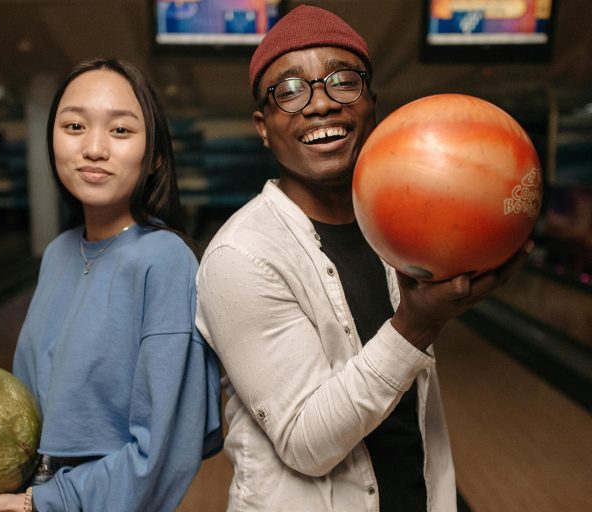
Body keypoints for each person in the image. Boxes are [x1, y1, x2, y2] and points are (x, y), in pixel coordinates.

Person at [194, 5, 530, 511]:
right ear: (263, 127)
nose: (320, 104)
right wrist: (417, 323)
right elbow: (306, 444)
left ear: (371, 103)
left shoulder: (402, 230)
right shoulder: (240, 257)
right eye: (289, 90)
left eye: (342, 82)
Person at [0, 58, 223, 512]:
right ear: (52, 140)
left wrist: (33, 505)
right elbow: (25, 416)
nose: (94, 148)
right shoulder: (60, 253)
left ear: (155, 155)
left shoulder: (164, 261)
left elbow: (160, 457)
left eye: (120, 130)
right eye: (75, 125)